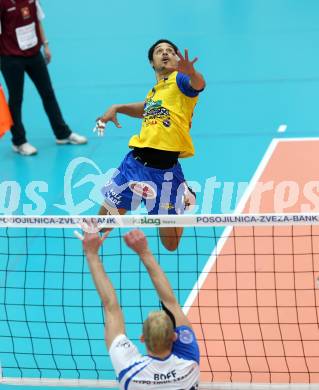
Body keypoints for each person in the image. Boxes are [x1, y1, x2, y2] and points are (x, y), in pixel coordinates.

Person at [95, 39, 205, 251]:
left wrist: (192, 73)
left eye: (170, 51)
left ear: (177, 59)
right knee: (102, 225)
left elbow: (198, 85)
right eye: (158, 51)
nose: (164, 53)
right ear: (152, 63)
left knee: (170, 244)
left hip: (166, 175)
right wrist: (117, 107)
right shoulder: (156, 91)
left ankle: (182, 199)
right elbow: (146, 108)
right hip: (133, 167)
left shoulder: (181, 81)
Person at [81, 225, 200, 390]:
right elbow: (170, 302)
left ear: (142, 338)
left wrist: (91, 253)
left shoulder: (131, 371)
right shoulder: (189, 361)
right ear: (174, 336)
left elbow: (111, 307)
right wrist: (144, 252)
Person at [0, 0, 87, 156]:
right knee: (16, 99)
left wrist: (45, 45)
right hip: (11, 58)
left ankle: (62, 134)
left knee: (48, 93)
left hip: (34, 54)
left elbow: (37, 21)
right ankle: (19, 141)